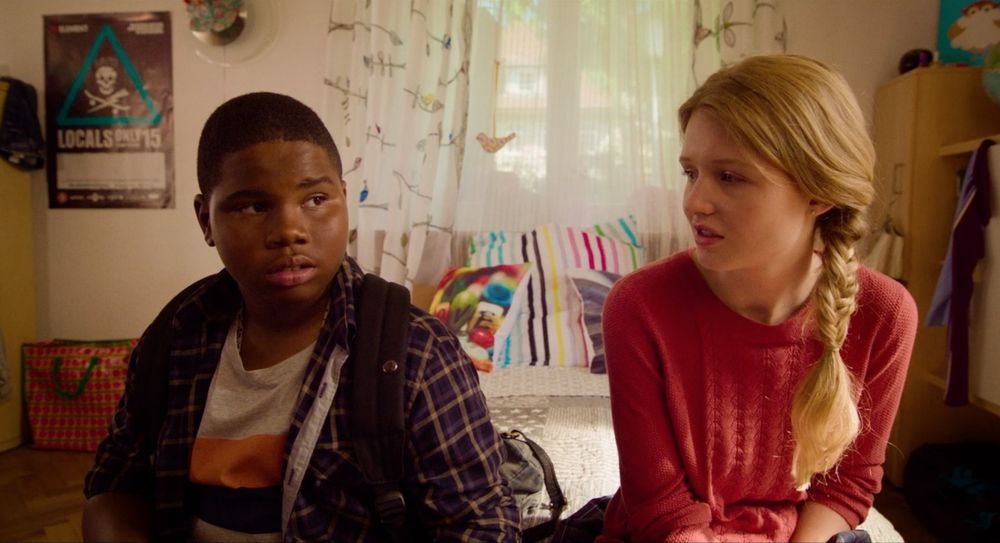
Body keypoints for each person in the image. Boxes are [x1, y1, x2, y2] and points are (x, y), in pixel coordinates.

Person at [82, 92, 520, 542]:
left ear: (344, 198)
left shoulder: (415, 354)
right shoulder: (176, 334)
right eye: (253, 206)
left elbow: (481, 526)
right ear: (205, 220)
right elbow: (117, 477)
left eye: (315, 199)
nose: (290, 230)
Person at [598, 55, 917, 543]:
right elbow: (662, 507)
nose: (693, 202)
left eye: (729, 177)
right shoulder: (638, 306)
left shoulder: (884, 313)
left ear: (818, 193)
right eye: (690, 173)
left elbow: (848, 485)